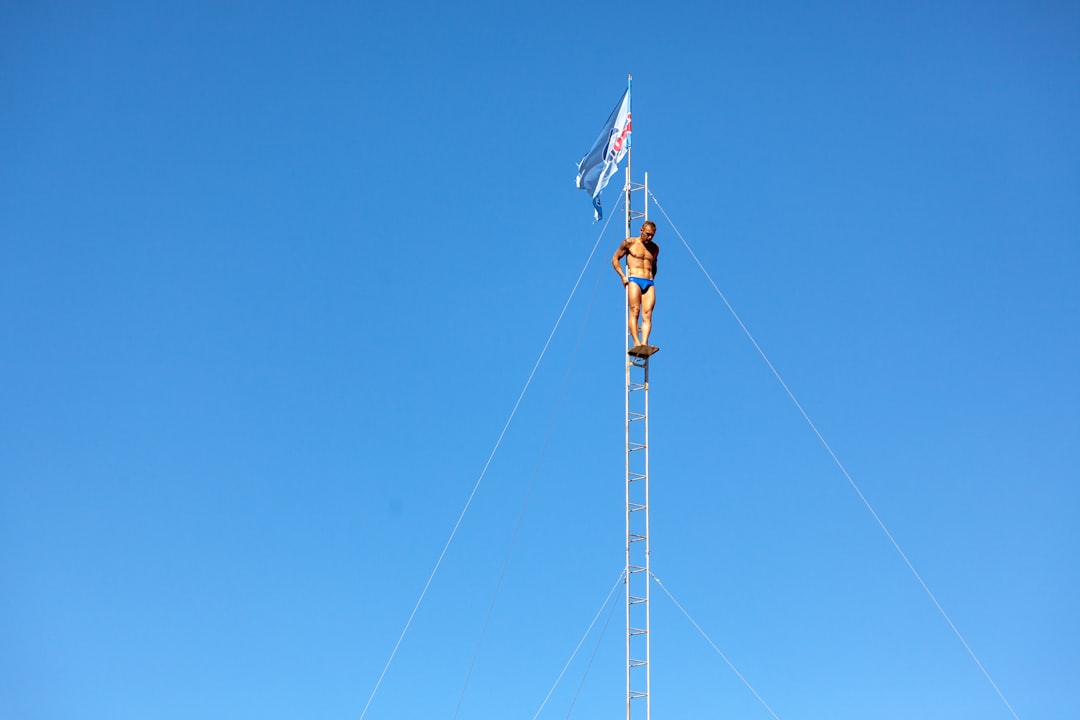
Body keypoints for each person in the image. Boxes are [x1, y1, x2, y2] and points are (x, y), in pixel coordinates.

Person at [611, 220, 659, 349]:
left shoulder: (654, 248)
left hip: (648, 281)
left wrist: (651, 277)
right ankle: (636, 342)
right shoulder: (630, 243)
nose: (649, 237)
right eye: (647, 234)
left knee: (648, 313)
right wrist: (622, 276)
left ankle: (644, 343)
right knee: (635, 310)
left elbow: (654, 266)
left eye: (652, 235)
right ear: (641, 230)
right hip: (634, 279)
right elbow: (615, 259)